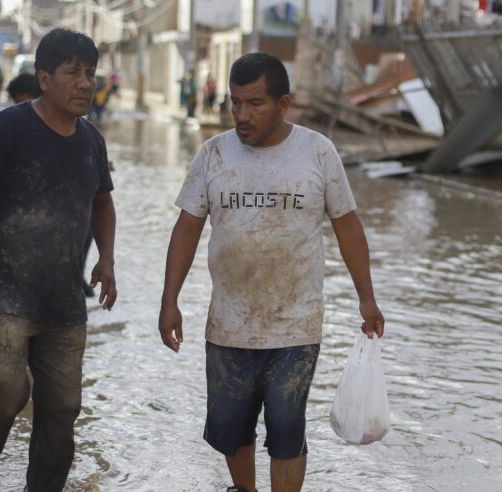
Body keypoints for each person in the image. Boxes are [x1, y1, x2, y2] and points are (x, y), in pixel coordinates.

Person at [158, 53, 385, 492]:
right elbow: (186, 230)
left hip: (296, 323)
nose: (242, 115)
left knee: (285, 428)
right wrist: (170, 302)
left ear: (284, 104)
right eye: (235, 103)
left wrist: (367, 297)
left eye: (255, 104)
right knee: (231, 428)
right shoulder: (214, 153)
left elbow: (348, 227)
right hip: (228, 322)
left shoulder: (317, 151)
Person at [0, 28, 117, 492]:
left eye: (90, 74)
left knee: (62, 411)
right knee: (5, 395)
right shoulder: (5, 130)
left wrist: (107, 259)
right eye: (73, 73)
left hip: (64, 302)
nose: (85, 83)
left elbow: (102, 202)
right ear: (44, 78)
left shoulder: (91, 141)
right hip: (2, 293)